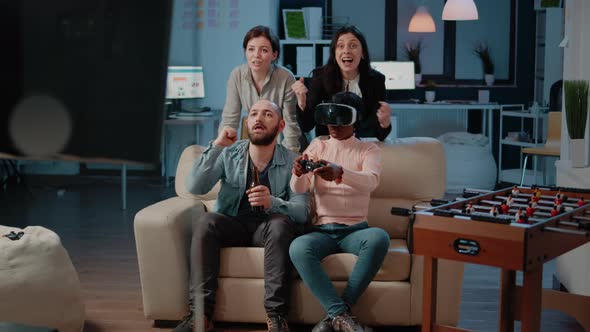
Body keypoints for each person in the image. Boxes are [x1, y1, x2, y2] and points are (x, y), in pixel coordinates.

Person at [179, 100, 310, 332]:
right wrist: (218, 145)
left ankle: (276, 317)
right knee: (206, 221)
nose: (258, 119)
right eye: (253, 114)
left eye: (267, 114)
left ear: (280, 126)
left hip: (268, 229)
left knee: (280, 224)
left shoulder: (292, 161)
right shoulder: (229, 154)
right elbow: (195, 186)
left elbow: (302, 212)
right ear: (247, 123)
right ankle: (200, 316)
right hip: (234, 225)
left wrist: (274, 202)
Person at [289, 92, 390, 332]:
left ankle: (335, 315)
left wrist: (340, 172)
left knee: (379, 237)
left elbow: (371, 182)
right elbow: (297, 189)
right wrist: (298, 173)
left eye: (340, 118)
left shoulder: (368, 149)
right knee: (298, 247)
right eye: (329, 118)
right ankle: (342, 317)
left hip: (356, 231)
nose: (333, 125)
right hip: (322, 231)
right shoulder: (318, 145)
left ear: (355, 121)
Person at [291, 25, 392, 142]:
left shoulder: (376, 80)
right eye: (340, 46)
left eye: (353, 46)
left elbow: (381, 135)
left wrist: (385, 123)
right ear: (334, 53)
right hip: (330, 148)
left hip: (362, 147)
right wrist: (302, 103)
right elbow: (306, 126)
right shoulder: (320, 77)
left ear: (363, 52)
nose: (346, 51)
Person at [220, 25, 301, 152]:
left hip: (279, 140)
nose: (256, 55)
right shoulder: (237, 75)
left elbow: (289, 123)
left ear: (274, 54)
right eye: (251, 49)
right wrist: (223, 151)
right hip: (254, 137)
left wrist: (290, 156)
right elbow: (230, 119)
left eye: (263, 50)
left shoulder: (286, 77)